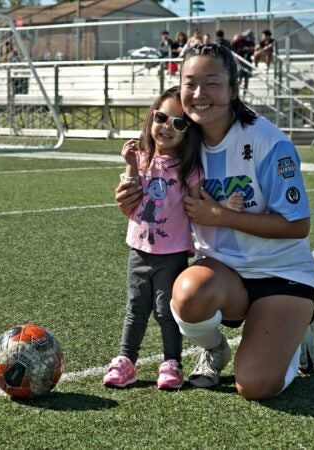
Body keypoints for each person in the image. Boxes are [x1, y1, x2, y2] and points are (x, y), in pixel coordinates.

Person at [115, 43, 314, 400]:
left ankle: (296, 332)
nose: (198, 94)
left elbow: (297, 226)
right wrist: (129, 200)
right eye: (190, 83)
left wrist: (221, 216)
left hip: (281, 275)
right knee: (187, 293)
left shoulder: (267, 141)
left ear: (233, 89)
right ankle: (215, 349)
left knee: (254, 386)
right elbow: (158, 195)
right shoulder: (183, 139)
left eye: (211, 83)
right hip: (223, 273)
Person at [103, 87, 207, 390]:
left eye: (178, 123)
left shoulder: (188, 168)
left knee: (165, 310)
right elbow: (131, 196)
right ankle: (126, 361)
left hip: (172, 253)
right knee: (135, 307)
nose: (167, 127)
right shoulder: (142, 159)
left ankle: (172, 361)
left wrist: (226, 208)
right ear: (151, 118)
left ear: (188, 133)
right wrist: (131, 165)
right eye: (161, 117)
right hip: (139, 250)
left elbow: (199, 203)